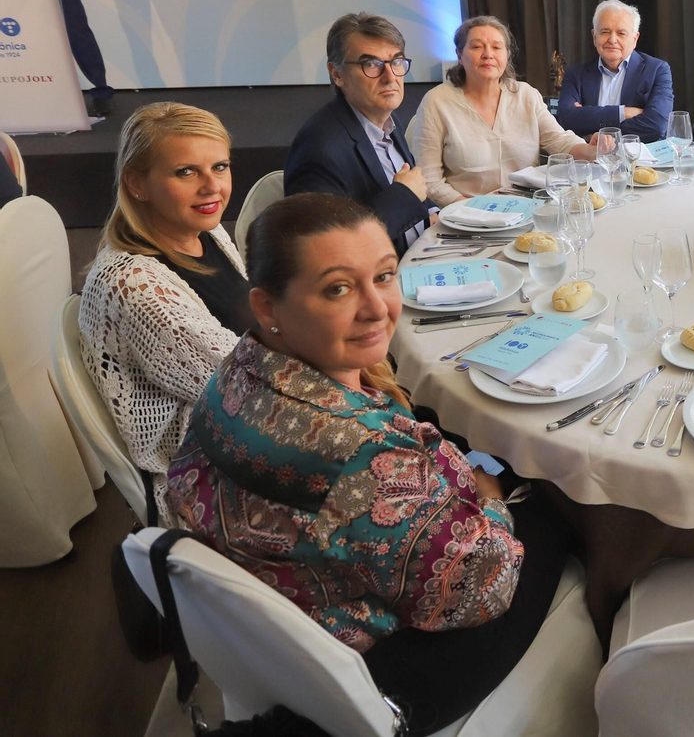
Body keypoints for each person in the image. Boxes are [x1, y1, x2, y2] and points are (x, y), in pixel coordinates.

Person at [166, 193, 570, 734]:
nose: (377, 308)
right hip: (372, 667)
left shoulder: (238, 367)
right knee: (561, 506)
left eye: (383, 276)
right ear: (267, 307)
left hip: (277, 611)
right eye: (337, 288)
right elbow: (485, 586)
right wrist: (496, 501)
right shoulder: (362, 453)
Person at [78, 103, 248, 522]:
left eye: (220, 166)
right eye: (186, 172)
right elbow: (246, 385)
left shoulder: (204, 231)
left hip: (242, 428)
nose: (212, 187)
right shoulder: (136, 286)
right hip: (204, 472)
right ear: (137, 183)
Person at [411, 15, 609, 206]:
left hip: (526, 211)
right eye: (477, 46)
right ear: (460, 55)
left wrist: (591, 150)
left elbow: (559, 141)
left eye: (496, 47)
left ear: (506, 55)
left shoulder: (526, 95)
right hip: (465, 220)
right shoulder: (436, 102)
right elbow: (429, 180)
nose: (488, 54)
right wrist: (472, 210)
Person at [284, 13, 432, 258]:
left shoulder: (387, 118)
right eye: (372, 64)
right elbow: (330, 249)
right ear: (337, 74)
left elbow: (411, 187)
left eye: (396, 61)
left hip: (418, 261)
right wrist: (404, 197)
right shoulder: (320, 149)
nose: (390, 77)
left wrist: (429, 211)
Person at [555, 0, 674, 142]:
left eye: (621, 33)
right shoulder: (576, 74)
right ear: (594, 37)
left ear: (635, 39)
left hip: (639, 162)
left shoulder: (657, 70)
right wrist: (623, 112)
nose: (612, 40)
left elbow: (656, 126)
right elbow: (566, 120)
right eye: (605, 32)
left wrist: (591, 128)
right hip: (590, 161)